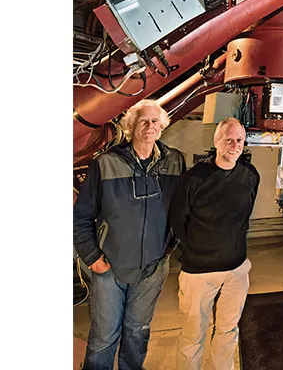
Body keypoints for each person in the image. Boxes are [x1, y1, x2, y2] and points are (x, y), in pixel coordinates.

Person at [73, 101, 186, 370]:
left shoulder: (175, 161)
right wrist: (92, 257)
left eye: (155, 122)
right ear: (130, 126)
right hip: (109, 267)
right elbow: (80, 217)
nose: (150, 127)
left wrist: (172, 245)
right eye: (143, 121)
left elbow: (185, 207)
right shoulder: (106, 163)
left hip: (153, 266)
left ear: (162, 128)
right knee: (104, 336)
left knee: (138, 331)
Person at [170, 117, 259, 370]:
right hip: (199, 270)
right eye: (228, 139)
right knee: (192, 334)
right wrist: (198, 248)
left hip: (236, 269)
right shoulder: (194, 178)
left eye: (239, 140)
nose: (234, 145)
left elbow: (244, 215)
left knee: (228, 330)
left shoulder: (250, 175)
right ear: (216, 142)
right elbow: (179, 221)